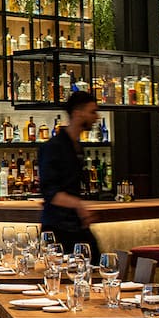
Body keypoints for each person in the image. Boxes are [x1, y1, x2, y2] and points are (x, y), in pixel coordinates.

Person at [37, 90, 98, 250]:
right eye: (92, 112)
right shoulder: (53, 147)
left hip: (75, 225)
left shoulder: (77, 147)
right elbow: (50, 192)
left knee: (94, 265)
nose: (96, 117)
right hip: (58, 228)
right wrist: (79, 205)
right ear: (78, 114)